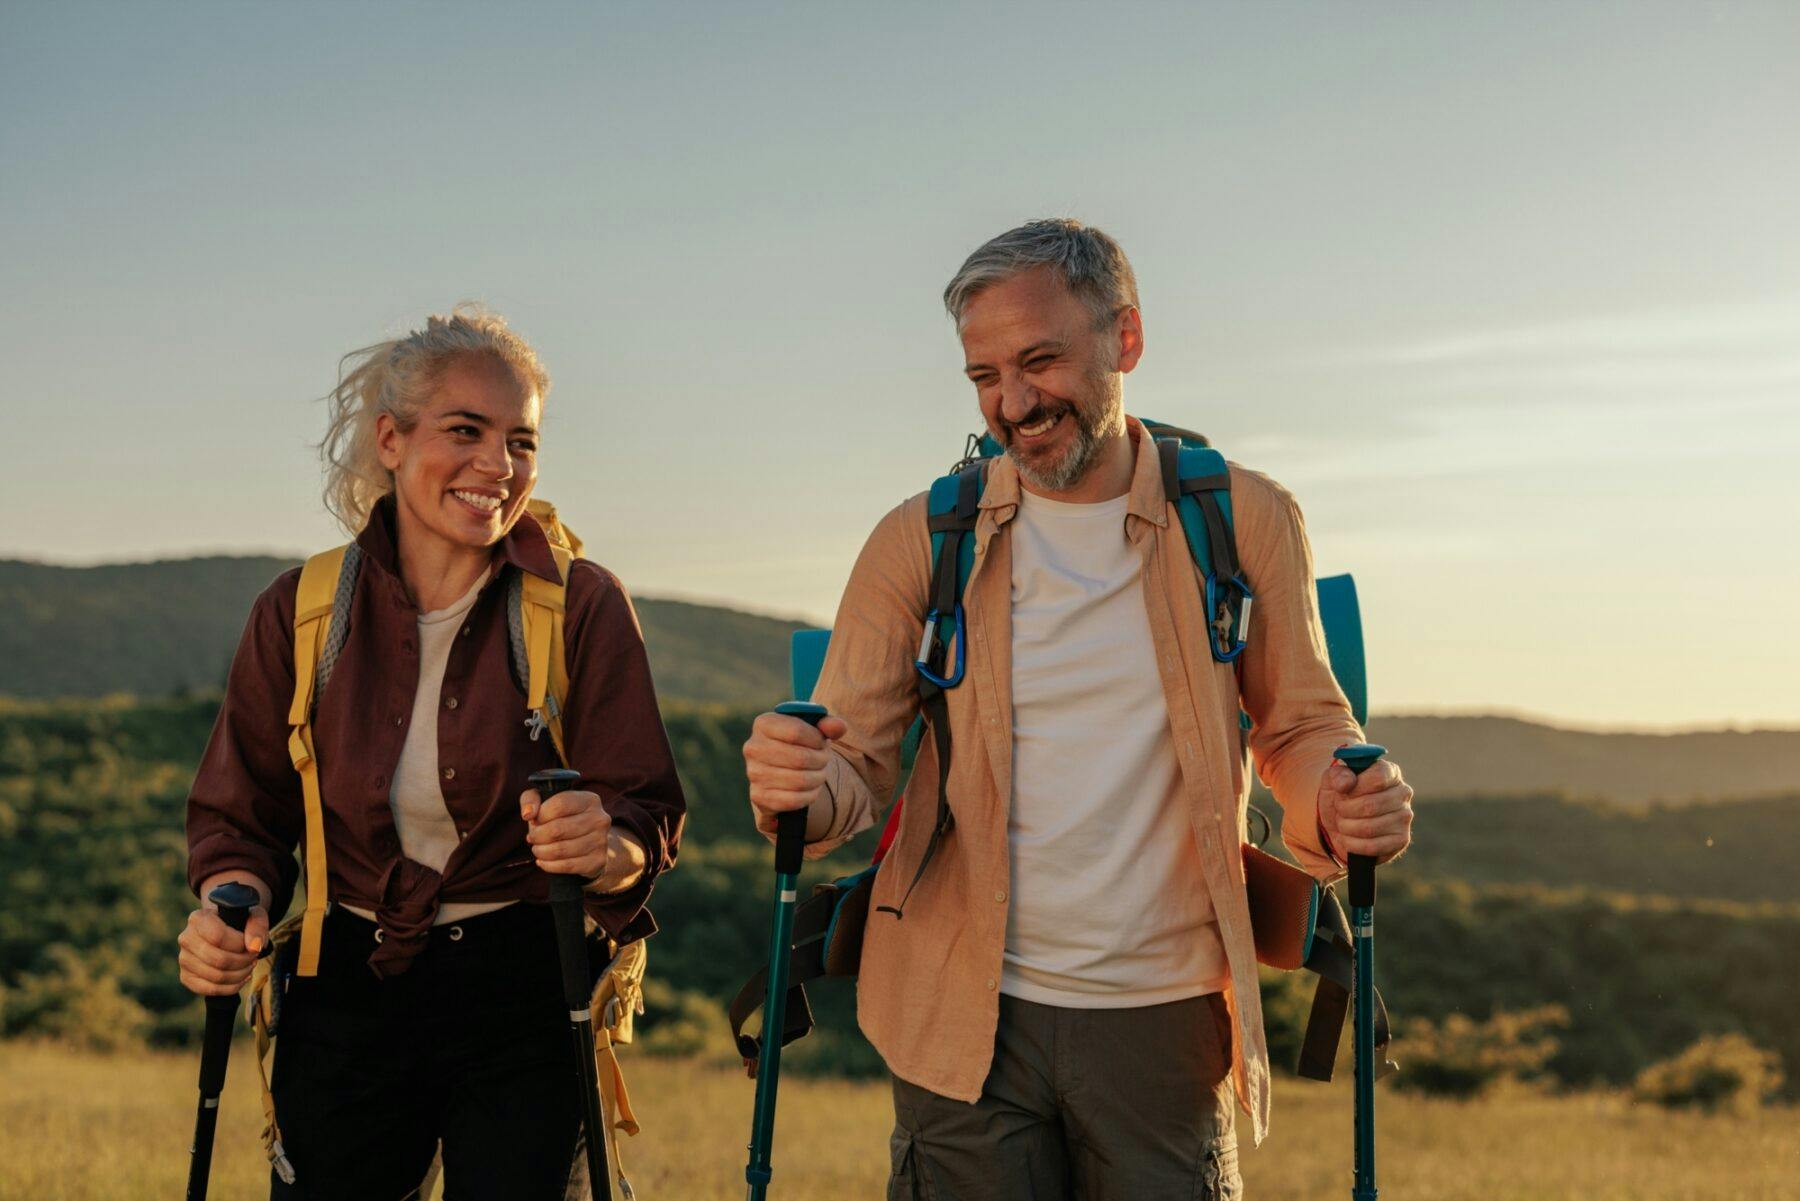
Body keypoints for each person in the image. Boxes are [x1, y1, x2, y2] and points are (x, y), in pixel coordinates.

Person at [742, 220, 1415, 1200]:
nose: (1013, 403)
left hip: (1164, 1016)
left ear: (1126, 339)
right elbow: (852, 772)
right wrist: (798, 781)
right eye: (984, 376)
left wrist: (1342, 806)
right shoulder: (921, 538)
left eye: (1040, 360)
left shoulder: (1242, 518)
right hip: (956, 1012)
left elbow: (1303, 731)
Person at [178, 307, 685, 1200]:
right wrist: (233, 907)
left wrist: (601, 848)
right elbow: (242, 815)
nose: (499, 465)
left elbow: (643, 810)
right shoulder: (300, 611)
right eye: (466, 430)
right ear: (391, 439)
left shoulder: (582, 605)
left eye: (521, 440)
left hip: (526, 986)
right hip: (344, 988)